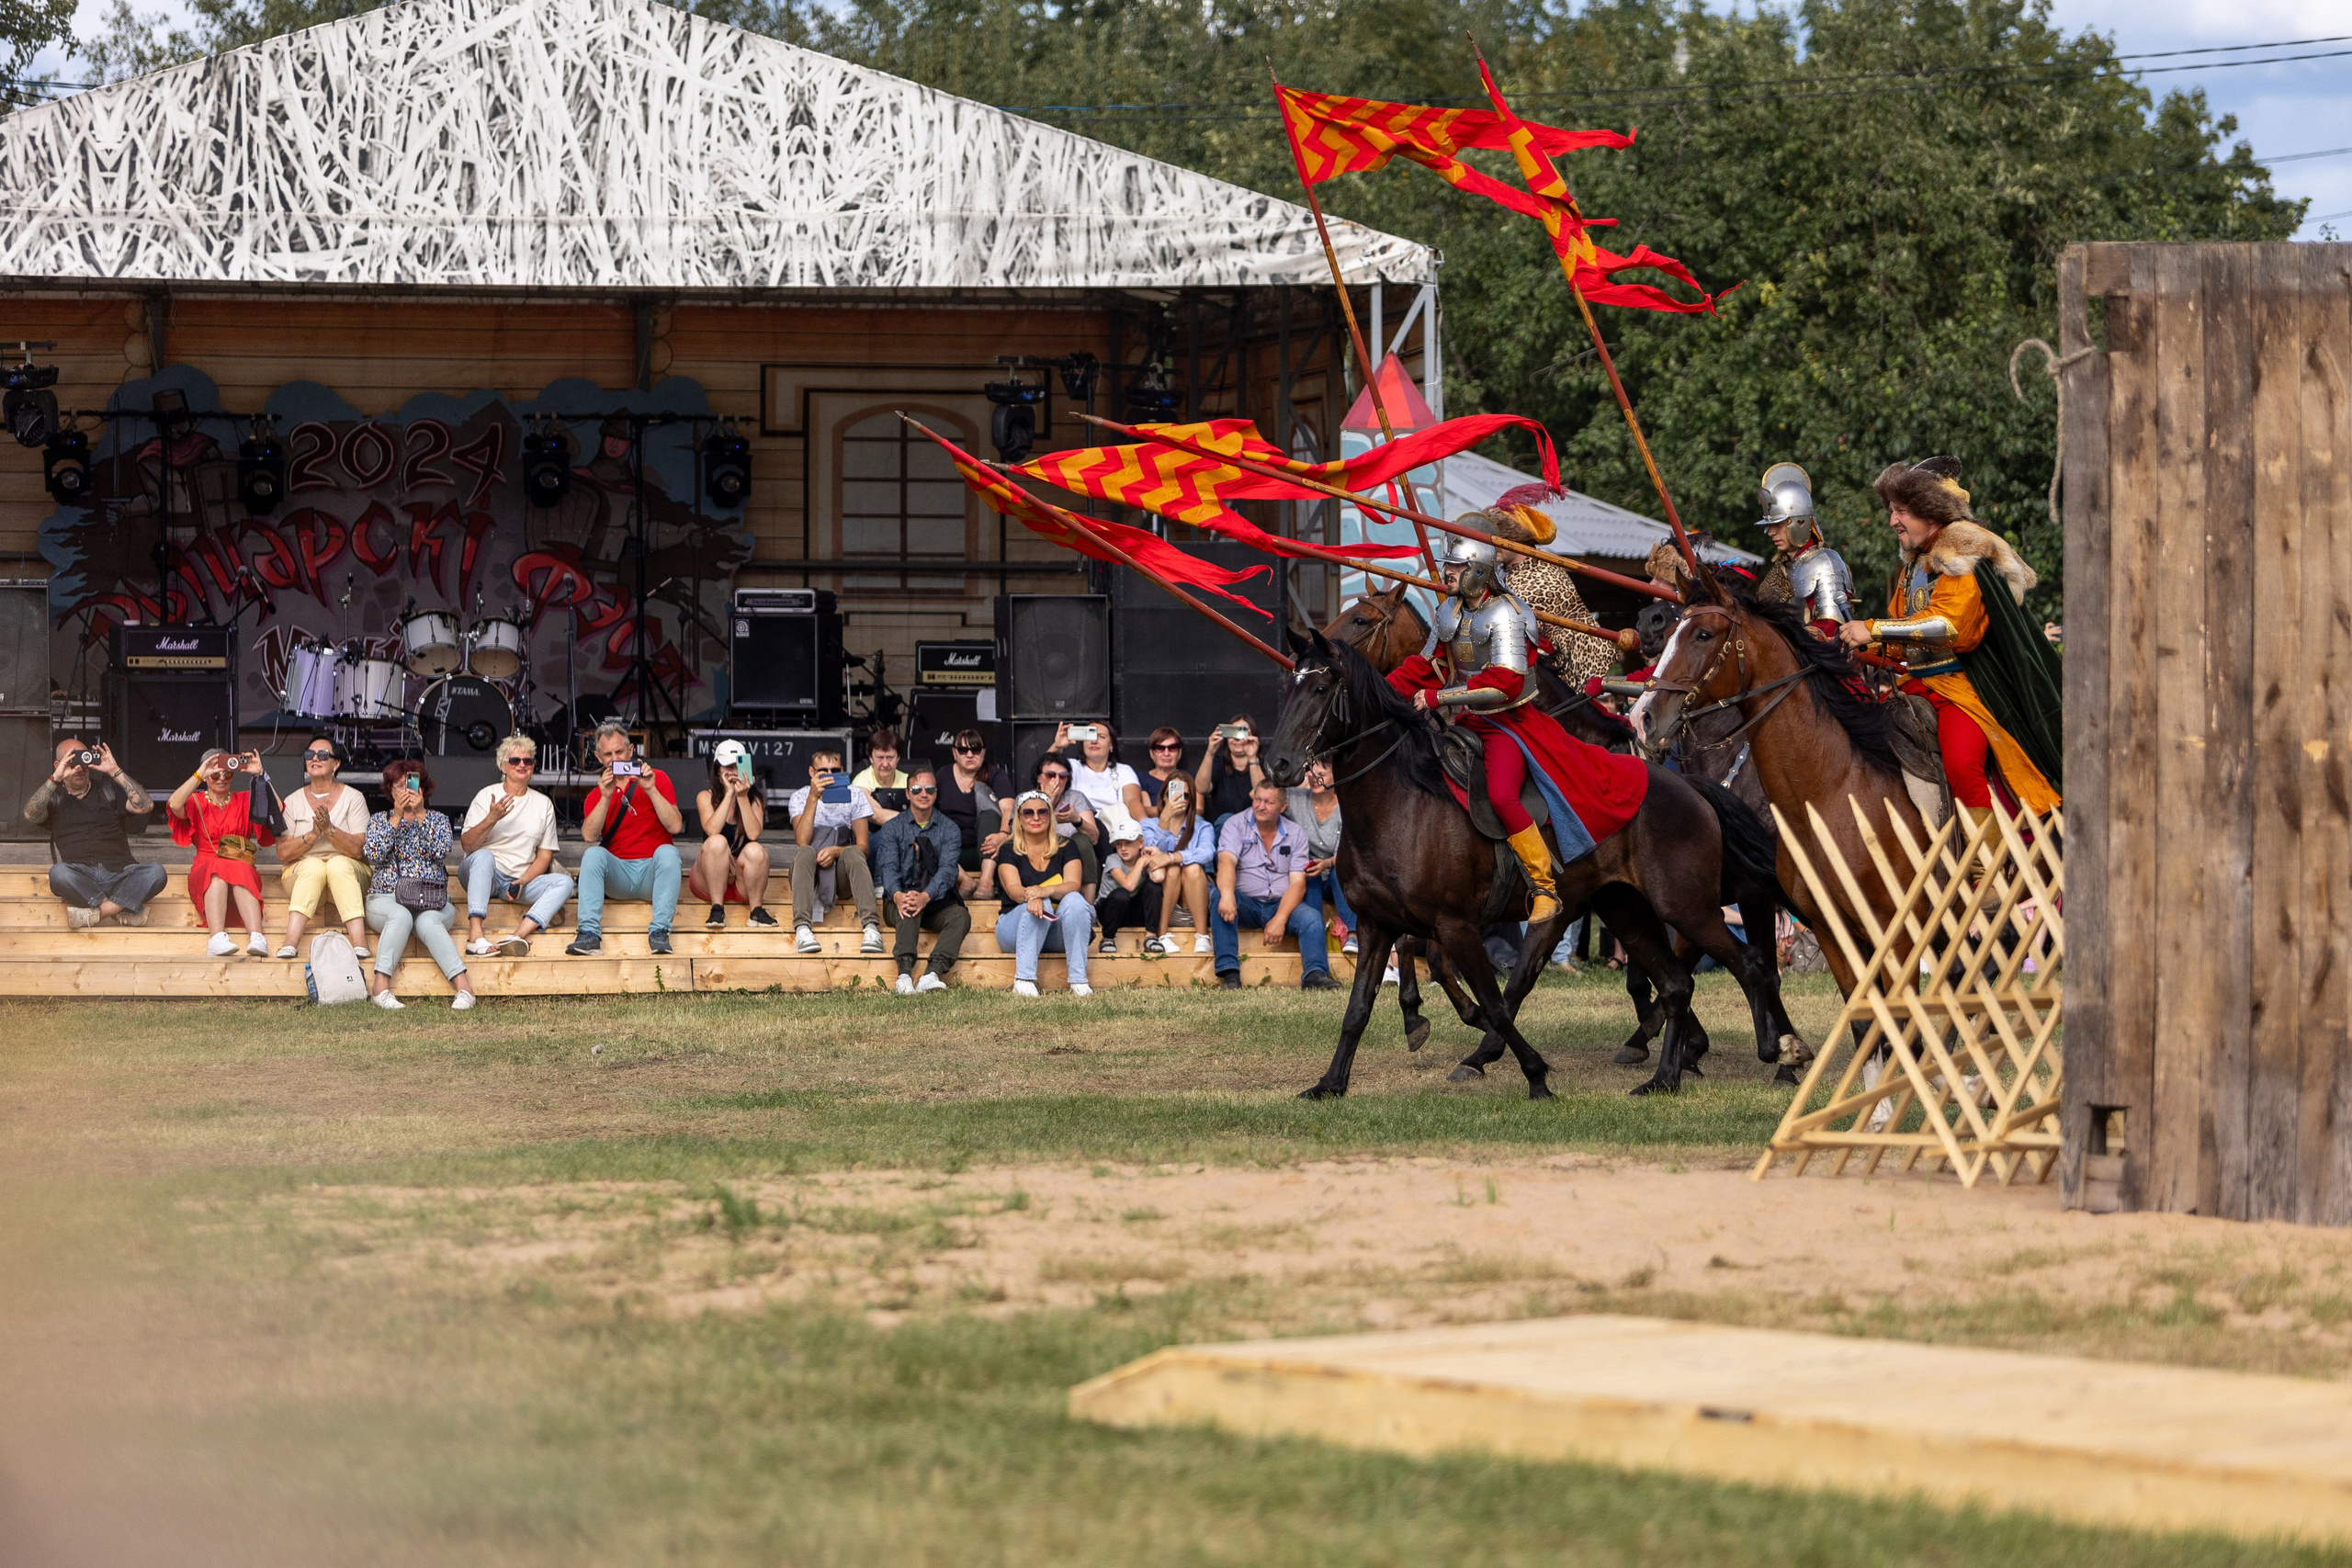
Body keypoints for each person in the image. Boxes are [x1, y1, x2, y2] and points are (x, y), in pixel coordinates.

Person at [1387, 517, 1653, 925]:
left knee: (1502, 796)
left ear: (1479, 570)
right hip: (1461, 724)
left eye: (1456, 567)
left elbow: (1505, 686)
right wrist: (1380, 690)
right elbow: (1427, 665)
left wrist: (1439, 696)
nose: (1447, 573)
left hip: (1507, 725)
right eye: (1448, 566)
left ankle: (1544, 887)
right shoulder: (1449, 611)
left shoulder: (1508, 615)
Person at [1838, 457, 2064, 823]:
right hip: (1914, 684)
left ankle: (1984, 871)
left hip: (1964, 691)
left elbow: (1951, 628)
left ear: (1930, 512)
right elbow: (1901, 635)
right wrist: (1850, 640)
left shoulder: (1964, 553)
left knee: (1962, 766)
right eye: (1892, 511)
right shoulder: (1914, 563)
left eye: (1902, 511)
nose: (1893, 520)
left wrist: (1874, 629)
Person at [362, 760, 475, 1010]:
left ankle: (464, 988)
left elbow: (441, 851)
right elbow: (373, 855)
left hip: (432, 898)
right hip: (386, 897)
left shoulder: (438, 819)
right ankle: (380, 988)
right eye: (398, 786)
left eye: (410, 784)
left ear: (422, 788)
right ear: (389, 790)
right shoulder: (379, 820)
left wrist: (421, 814)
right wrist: (397, 818)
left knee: (427, 922)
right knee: (401, 916)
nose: (405, 791)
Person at [567, 721, 684, 957]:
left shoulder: (657, 778)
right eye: (608, 754)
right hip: (619, 875)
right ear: (599, 758)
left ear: (631, 752)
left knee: (669, 852)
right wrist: (605, 796)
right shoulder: (596, 794)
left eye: (619, 751)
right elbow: (589, 836)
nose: (615, 759)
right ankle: (589, 934)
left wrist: (650, 790)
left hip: (653, 873)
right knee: (593, 855)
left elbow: (676, 825)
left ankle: (660, 932)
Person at [27, 737, 163, 929]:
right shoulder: (55, 799)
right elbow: (31, 814)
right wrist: (56, 778)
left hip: (120, 873)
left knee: (156, 872)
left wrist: (115, 771)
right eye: (72, 761)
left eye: (84, 760)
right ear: (59, 764)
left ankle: (99, 913)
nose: (79, 768)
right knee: (58, 873)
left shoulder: (108, 790)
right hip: (81, 876)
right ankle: (119, 909)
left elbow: (145, 806)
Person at [1213, 782, 1337, 991]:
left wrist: (1280, 918)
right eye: (1257, 800)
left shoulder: (1295, 833)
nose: (1261, 806)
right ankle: (1230, 974)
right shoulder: (1235, 824)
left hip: (1281, 903)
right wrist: (1227, 894)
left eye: (1269, 802)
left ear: (1283, 806)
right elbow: (1226, 861)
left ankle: (1314, 975)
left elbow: (1298, 883)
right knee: (1219, 896)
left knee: (1312, 918)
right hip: (1246, 902)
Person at [458, 734, 571, 956]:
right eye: (515, 761)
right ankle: (475, 937)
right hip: (482, 875)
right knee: (484, 856)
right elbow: (467, 845)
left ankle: (517, 937)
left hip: (518, 882)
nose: (522, 765)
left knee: (564, 883)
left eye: (527, 761)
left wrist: (523, 880)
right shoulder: (487, 795)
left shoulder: (543, 804)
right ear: (503, 766)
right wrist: (492, 818)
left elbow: (544, 855)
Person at [167, 748, 275, 957]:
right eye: (215, 774)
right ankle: (216, 938)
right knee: (217, 870)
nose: (222, 779)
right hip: (206, 872)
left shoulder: (244, 799)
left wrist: (261, 775)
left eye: (227, 773)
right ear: (207, 777)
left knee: (238, 869)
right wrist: (200, 774)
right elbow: (174, 804)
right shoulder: (196, 801)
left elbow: (276, 811)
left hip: (240, 869)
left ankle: (257, 937)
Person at [272, 734, 370, 960]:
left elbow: (358, 850)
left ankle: (359, 943)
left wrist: (330, 830)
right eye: (310, 754)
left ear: (336, 764)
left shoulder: (354, 798)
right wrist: (314, 834)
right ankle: (290, 943)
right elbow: (282, 853)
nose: (315, 758)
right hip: (304, 875)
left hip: (349, 873)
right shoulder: (293, 800)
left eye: (323, 755)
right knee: (314, 866)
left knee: (337, 864)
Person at [872, 766, 967, 994]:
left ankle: (932, 973)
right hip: (900, 898)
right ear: (907, 794)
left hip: (935, 901)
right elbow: (888, 867)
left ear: (935, 793)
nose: (923, 793)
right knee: (908, 907)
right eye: (916, 789)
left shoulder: (949, 829)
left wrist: (926, 895)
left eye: (929, 789)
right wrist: (897, 894)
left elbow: (947, 870)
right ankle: (904, 974)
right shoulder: (893, 827)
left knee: (961, 916)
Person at [993, 789, 1095, 998]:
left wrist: (1044, 891)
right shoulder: (1008, 849)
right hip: (1013, 930)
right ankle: (1023, 979)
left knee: (1075, 900)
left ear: (1050, 816)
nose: (1036, 817)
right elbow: (1014, 891)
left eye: (1042, 812)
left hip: (1054, 931)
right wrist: (1036, 897)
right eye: (1028, 813)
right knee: (1042, 907)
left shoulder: (1067, 846)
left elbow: (1073, 884)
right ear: (1019, 819)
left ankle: (1079, 981)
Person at [787, 745, 881, 955]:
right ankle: (802, 928)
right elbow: (802, 840)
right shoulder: (800, 797)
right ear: (812, 773)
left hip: (842, 874)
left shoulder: (855, 795)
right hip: (809, 873)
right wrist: (813, 797)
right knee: (805, 852)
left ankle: (871, 928)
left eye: (835, 771)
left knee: (853, 852)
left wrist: (836, 851)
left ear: (842, 771)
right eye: (823, 772)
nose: (830, 776)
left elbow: (864, 847)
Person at [1752, 462, 1854, 637]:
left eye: (1778, 525)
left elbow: (1828, 628)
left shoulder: (1825, 563)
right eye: (1769, 526)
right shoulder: (1782, 568)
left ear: (1800, 522)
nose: (1771, 533)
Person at [689, 739, 775, 928]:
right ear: (718, 769)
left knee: (756, 849)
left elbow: (753, 834)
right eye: (728, 766)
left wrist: (742, 797)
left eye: (738, 765)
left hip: (741, 880)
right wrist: (729, 795)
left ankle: (756, 911)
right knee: (717, 841)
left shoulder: (755, 798)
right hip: (709, 879)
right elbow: (711, 830)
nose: (733, 771)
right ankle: (717, 909)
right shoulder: (706, 796)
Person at [1136, 775, 1213, 957]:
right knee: (1172, 869)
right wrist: (1163, 822)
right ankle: (1161, 935)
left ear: (1192, 800)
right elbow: (1150, 855)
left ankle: (1202, 937)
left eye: (1185, 796)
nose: (1180, 799)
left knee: (1191, 867)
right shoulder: (1147, 824)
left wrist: (1171, 857)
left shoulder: (1203, 827)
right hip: (1163, 904)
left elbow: (1207, 852)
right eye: (1174, 794)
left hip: (1194, 902)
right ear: (1164, 797)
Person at [1286, 758, 1355, 956]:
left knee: (1340, 870)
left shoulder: (1347, 803)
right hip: (1310, 873)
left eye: (1321, 774)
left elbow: (1351, 850)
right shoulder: (1296, 798)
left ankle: (1353, 934)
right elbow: (1262, 791)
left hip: (1338, 868)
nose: (1314, 778)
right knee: (1309, 872)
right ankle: (1314, 935)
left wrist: (1327, 863)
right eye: (1310, 772)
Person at [935, 728, 1012, 898]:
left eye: (975, 749)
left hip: (986, 850)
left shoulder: (995, 774)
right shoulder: (942, 775)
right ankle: (966, 881)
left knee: (989, 816)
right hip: (951, 855)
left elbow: (1009, 808)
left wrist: (1003, 834)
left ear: (983, 752)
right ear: (954, 752)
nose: (969, 755)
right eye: (963, 750)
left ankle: (986, 882)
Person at [1022, 753, 1099, 896]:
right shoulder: (1025, 799)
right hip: (1036, 856)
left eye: (1063, 776)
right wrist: (1047, 802)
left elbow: (1094, 837)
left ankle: (1089, 906)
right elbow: (1017, 835)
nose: (1057, 780)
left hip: (1069, 858)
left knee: (1081, 840)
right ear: (1039, 777)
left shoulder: (1075, 797)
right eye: (1051, 775)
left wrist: (1077, 820)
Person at [1061, 720, 1148, 832]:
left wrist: (1146, 828)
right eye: (1089, 736)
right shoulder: (1071, 766)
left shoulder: (1124, 770)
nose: (1094, 741)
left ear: (1111, 745)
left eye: (1101, 737)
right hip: (1079, 829)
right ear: (1082, 743)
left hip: (1117, 830)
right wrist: (1058, 746)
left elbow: (1133, 802)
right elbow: (1044, 770)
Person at [1091, 820, 1160, 955]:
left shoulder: (1144, 858)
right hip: (1108, 911)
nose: (1123, 848)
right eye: (1119, 844)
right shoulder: (1113, 859)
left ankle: (1150, 936)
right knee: (1122, 894)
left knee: (1154, 887)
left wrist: (1156, 855)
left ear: (1140, 843)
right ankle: (1108, 938)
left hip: (1131, 911)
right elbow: (1129, 885)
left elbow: (1159, 877)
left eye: (1128, 843)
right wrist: (1141, 862)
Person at [1193, 713, 1262, 829]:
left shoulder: (1262, 765)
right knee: (1226, 819)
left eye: (1242, 733)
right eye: (1232, 733)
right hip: (1222, 830)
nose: (1237, 739)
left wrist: (1252, 758)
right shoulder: (1219, 764)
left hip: (1254, 828)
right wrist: (1210, 752)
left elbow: (1262, 794)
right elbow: (1201, 788)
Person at [853, 730, 910, 825]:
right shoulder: (861, 781)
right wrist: (912, 822)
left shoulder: (908, 780)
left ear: (898, 758)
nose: (885, 764)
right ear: (871, 758)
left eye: (890, 757)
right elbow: (877, 815)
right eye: (880, 758)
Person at [1137, 727, 1188, 811]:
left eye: (1173, 748)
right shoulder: (1142, 778)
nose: (1166, 753)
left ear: (1179, 752)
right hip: (1154, 822)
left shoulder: (1190, 777)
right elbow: (1146, 810)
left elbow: (1198, 810)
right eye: (1160, 748)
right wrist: (1173, 810)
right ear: (1152, 753)